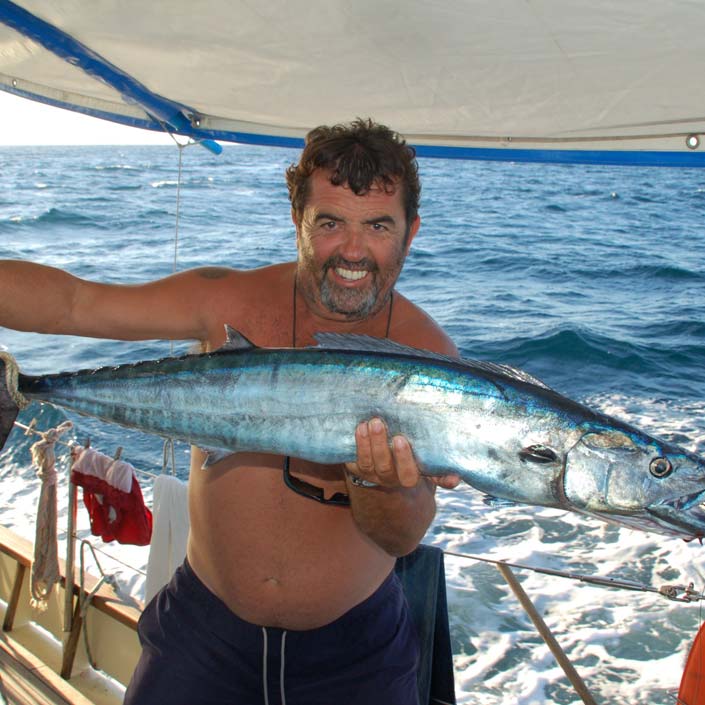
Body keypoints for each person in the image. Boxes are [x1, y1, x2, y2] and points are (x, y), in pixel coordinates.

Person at [0, 118, 459, 704]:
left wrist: (376, 478)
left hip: (354, 655)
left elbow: (401, 537)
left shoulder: (431, 360)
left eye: (377, 226)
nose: (352, 250)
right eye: (329, 223)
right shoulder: (228, 302)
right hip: (202, 635)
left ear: (410, 232)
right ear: (298, 221)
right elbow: (75, 305)